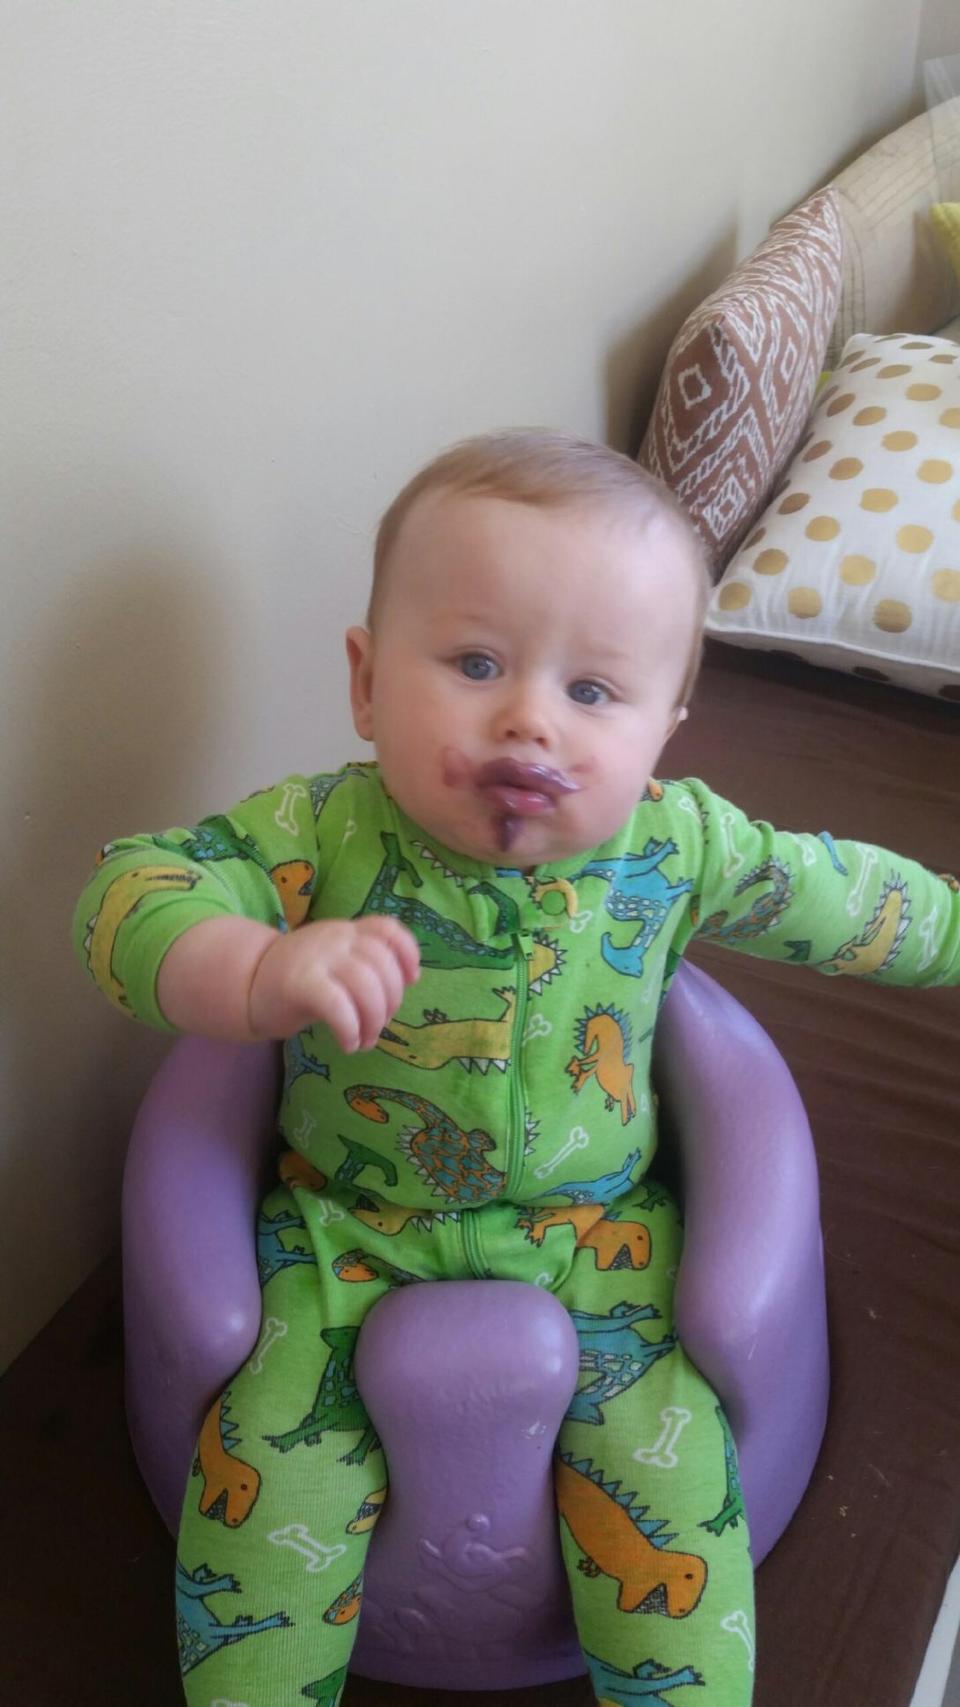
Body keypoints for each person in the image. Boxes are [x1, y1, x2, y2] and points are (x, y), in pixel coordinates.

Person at [73, 431, 960, 1707]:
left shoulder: (676, 847)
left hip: (603, 1244)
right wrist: (251, 969)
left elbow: (849, 898)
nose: (531, 717)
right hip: (341, 1237)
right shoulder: (321, 832)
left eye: (594, 691)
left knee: (671, 1496)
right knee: (265, 1487)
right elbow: (130, 889)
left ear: (666, 731)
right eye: (477, 663)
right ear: (367, 683)